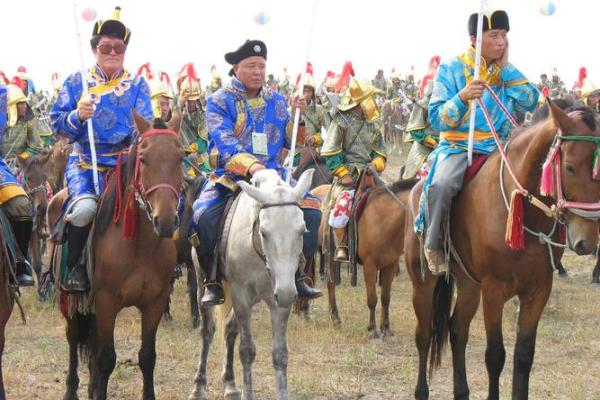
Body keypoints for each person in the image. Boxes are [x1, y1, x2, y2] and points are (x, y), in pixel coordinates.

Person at [189, 39, 322, 305]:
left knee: (313, 211)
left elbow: (290, 140)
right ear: (236, 68)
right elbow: (225, 142)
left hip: (274, 175)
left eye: (261, 66)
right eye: (251, 66)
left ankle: (297, 274)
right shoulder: (219, 100)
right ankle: (213, 280)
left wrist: (299, 116)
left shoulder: (276, 99)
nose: (258, 72)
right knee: (203, 218)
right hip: (232, 177)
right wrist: (254, 167)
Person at [416, 10, 539, 275]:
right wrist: (462, 96)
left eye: (504, 35)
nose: (501, 42)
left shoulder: (505, 71)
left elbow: (531, 100)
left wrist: (506, 69)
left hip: (500, 149)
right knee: (443, 183)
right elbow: (437, 119)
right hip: (460, 147)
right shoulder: (452, 68)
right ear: (475, 39)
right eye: (494, 35)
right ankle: (433, 243)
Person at [50, 6, 153, 292]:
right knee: (84, 210)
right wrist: (77, 116)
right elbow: (56, 123)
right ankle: (76, 268)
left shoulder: (137, 85)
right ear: (95, 49)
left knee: (159, 204)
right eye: (106, 46)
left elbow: (142, 127)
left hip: (125, 162)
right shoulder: (76, 83)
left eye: (118, 47)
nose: (112, 51)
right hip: (85, 162)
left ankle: (156, 266)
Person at [321, 78, 387, 261]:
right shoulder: (340, 122)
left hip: (370, 172)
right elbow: (331, 151)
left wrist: (376, 163)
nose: (372, 101)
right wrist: (343, 174)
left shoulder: (373, 123)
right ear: (359, 101)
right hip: (348, 173)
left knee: (390, 199)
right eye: (369, 97)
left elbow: (380, 150)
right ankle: (342, 245)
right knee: (341, 208)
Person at [0, 84, 35, 286]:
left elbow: (37, 144)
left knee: (22, 204)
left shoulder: (2, 95)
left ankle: (20, 263)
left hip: (5, 166)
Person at [2, 84, 44, 165]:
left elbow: (36, 145)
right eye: (21, 103)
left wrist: (21, 159)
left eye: (25, 103)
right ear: (11, 106)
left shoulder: (29, 121)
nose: (25, 106)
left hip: (21, 166)